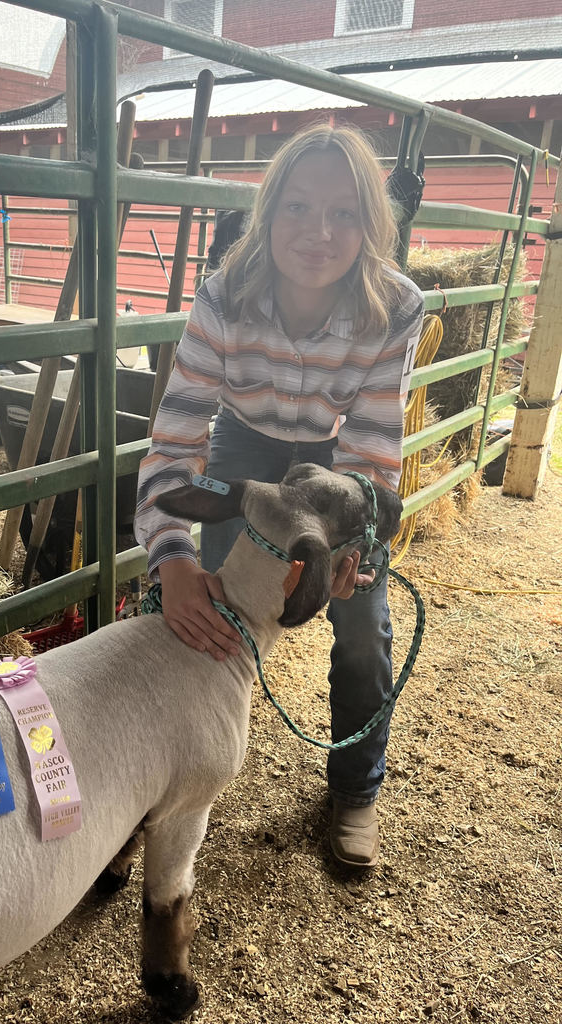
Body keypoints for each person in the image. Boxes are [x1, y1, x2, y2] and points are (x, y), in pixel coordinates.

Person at [133, 123, 424, 869]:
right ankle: (147, 783)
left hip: (334, 458)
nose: (318, 233)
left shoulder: (394, 305)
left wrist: (353, 548)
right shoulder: (225, 294)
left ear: (370, 222)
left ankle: (356, 790)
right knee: (205, 605)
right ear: (268, 214)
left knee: (362, 622)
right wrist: (169, 561)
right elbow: (176, 450)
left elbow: (371, 447)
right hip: (241, 444)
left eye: (343, 213)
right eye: (296, 208)